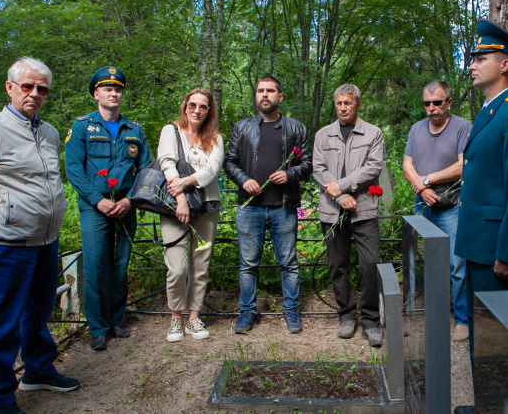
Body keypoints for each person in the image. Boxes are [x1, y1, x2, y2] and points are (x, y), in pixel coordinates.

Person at [0, 57, 79, 414]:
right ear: (10, 88)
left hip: (46, 240)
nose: (35, 94)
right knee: (1, 320)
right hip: (8, 243)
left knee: (38, 311)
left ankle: (38, 369)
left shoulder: (49, 132)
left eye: (42, 89)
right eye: (27, 86)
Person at [454, 21, 508, 366]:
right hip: (477, 241)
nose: (471, 64)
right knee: (481, 334)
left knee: (502, 342)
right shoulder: (488, 112)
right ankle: (482, 396)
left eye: (480, 58)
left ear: (504, 65)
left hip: (496, 247)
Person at [65, 66, 152, 351]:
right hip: (95, 208)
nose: (113, 93)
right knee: (95, 265)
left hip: (126, 207)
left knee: (120, 264)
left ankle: (116, 319)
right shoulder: (82, 127)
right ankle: (98, 327)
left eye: (117, 89)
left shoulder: (134, 130)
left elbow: (147, 170)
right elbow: (74, 169)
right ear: (96, 94)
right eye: (107, 89)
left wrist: (130, 200)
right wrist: (98, 200)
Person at [224, 74, 312, 334]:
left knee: (289, 263)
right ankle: (247, 313)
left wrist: (290, 174)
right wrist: (243, 180)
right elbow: (229, 162)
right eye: (261, 90)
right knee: (248, 264)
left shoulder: (297, 128)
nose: (265, 95)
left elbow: (307, 164)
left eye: (270, 91)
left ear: (280, 96)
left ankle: (291, 311)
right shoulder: (242, 128)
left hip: (283, 206)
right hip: (250, 207)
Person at [313, 84, 385, 347]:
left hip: (364, 209)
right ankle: (346, 316)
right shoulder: (323, 135)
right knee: (337, 265)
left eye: (348, 103)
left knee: (370, 263)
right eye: (339, 103)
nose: (343, 108)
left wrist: (343, 186)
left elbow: (373, 168)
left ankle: (370, 320)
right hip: (332, 211)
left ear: (358, 104)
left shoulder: (373, 133)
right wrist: (341, 196)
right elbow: (319, 169)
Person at [403, 80, 472, 342]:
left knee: (457, 265)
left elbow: (463, 165)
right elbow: (407, 163)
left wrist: (428, 180)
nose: (431, 108)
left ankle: (462, 320)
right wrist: (421, 189)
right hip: (423, 203)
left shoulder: (463, 127)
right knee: (429, 264)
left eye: (437, 103)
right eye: (426, 103)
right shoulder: (416, 129)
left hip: (451, 205)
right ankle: (435, 315)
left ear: (449, 102)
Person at [158, 88, 224, 342]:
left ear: (209, 111)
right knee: (176, 267)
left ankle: (194, 318)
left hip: (207, 206)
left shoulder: (215, 138)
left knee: (200, 265)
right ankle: (176, 317)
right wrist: (181, 198)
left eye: (203, 107)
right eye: (193, 105)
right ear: (185, 106)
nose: (197, 110)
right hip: (175, 207)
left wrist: (185, 182)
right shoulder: (170, 131)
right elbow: (166, 163)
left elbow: (212, 170)